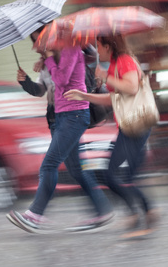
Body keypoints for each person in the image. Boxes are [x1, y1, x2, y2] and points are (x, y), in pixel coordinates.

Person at [7, 28, 114, 233]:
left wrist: (48, 58)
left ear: (49, 37)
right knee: (76, 169)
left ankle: (35, 215)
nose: (34, 45)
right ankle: (102, 210)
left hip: (73, 116)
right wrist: (25, 81)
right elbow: (42, 90)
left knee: (49, 165)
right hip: (60, 118)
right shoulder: (51, 58)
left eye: (37, 40)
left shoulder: (69, 50)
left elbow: (63, 79)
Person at [64, 34, 160, 230]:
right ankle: (146, 211)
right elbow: (113, 99)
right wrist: (84, 96)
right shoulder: (116, 63)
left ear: (108, 46)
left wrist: (106, 77)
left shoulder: (124, 60)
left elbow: (132, 87)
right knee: (127, 177)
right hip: (130, 125)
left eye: (98, 46)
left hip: (136, 124)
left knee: (110, 175)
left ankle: (139, 212)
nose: (97, 50)